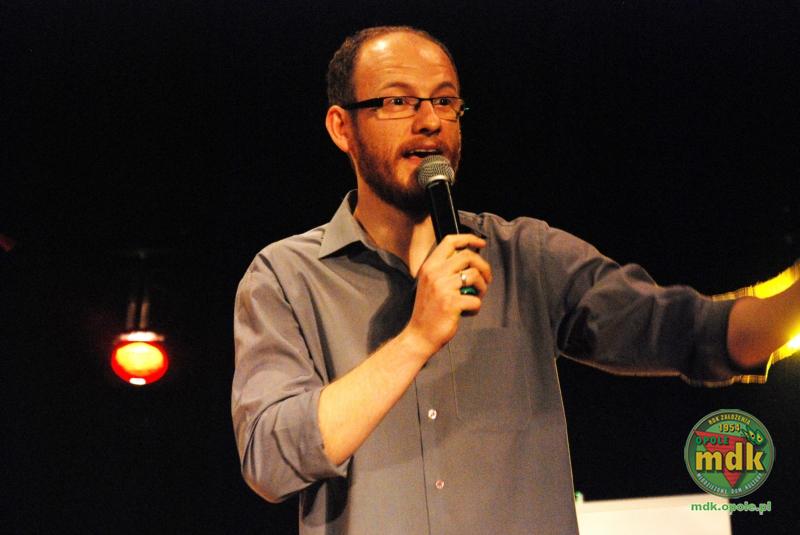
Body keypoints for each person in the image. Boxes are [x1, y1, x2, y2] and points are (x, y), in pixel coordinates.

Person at [232, 26, 797, 535]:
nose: (429, 121)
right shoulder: (285, 276)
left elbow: (691, 331)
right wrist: (416, 337)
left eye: (445, 101)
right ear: (342, 127)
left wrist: (789, 302)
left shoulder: (527, 257)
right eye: (397, 101)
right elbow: (270, 463)